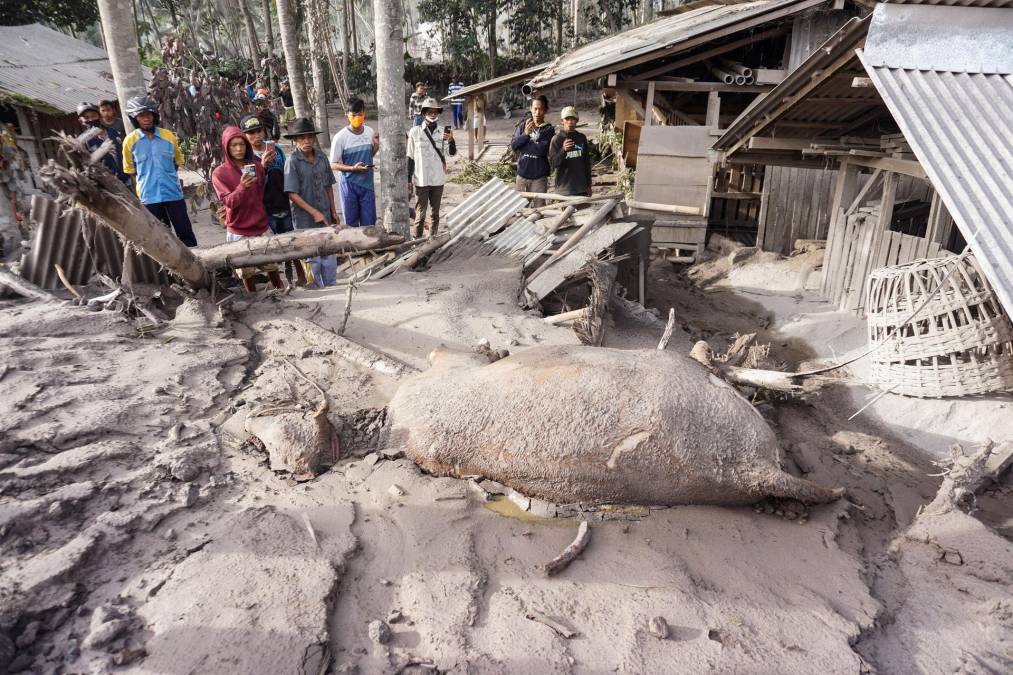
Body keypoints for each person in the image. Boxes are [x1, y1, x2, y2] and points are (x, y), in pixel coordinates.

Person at [211, 126, 284, 291]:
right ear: (226, 147)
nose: (238, 149)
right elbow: (228, 202)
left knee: (271, 264)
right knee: (246, 271)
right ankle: (253, 298)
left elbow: (260, 195)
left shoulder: (257, 167)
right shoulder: (219, 173)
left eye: (242, 144)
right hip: (238, 229)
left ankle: (280, 291)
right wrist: (241, 188)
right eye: (233, 145)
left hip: (260, 224)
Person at [121, 95, 198, 246]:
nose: (146, 119)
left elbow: (177, 162)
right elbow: (131, 171)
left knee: (185, 231)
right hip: (149, 197)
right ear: (134, 118)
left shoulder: (168, 136)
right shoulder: (129, 141)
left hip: (173, 193)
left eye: (149, 114)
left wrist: (169, 178)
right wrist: (141, 190)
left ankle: (198, 260)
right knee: (162, 237)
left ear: (154, 115)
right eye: (141, 116)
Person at [283, 117, 338, 287]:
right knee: (311, 255)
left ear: (314, 138)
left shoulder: (321, 156)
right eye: (301, 138)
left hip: (326, 214)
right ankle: (316, 286)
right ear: (295, 140)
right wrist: (313, 212)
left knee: (329, 252)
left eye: (309, 137)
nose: (306, 141)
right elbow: (292, 193)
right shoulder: (292, 161)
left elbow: (328, 185)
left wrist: (333, 211)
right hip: (304, 218)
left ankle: (331, 285)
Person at [407, 97, 456, 239]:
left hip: (437, 179)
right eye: (429, 111)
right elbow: (409, 157)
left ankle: (432, 240)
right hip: (421, 179)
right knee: (420, 214)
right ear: (423, 113)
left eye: (435, 111)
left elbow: (451, 153)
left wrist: (452, 141)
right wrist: (408, 179)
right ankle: (416, 241)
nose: (433, 114)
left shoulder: (443, 132)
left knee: (435, 214)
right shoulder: (414, 132)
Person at [329, 98, 379, 228]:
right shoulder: (340, 137)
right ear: (347, 115)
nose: (357, 117)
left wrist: (376, 146)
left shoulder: (370, 132)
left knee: (369, 224)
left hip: (367, 185)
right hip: (349, 185)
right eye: (354, 115)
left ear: (364, 114)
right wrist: (352, 168)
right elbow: (333, 164)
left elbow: (370, 155)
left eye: (360, 114)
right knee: (351, 225)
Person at [510, 95, 554, 207]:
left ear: (545, 110)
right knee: (519, 209)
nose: (537, 112)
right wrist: (525, 134)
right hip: (522, 175)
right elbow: (514, 146)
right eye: (535, 108)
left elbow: (541, 150)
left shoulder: (548, 129)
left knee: (539, 209)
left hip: (539, 177)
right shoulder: (523, 126)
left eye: (541, 109)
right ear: (531, 109)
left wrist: (523, 145)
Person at [76, 102, 128, 184]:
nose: (91, 119)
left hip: (127, 178)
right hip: (109, 185)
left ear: (99, 116)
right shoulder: (82, 142)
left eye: (93, 116)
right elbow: (86, 165)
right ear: (81, 121)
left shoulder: (113, 132)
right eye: (86, 117)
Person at [548, 106, 592, 197]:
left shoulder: (581, 138)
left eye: (573, 119)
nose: (570, 122)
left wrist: (588, 185)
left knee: (584, 211)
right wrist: (563, 150)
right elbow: (553, 164)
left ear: (577, 121)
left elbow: (587, 163)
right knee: (567, 212)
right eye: (567, 119)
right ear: (562, 121)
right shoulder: (557, 139)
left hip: (581, 187)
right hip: (564, 189)